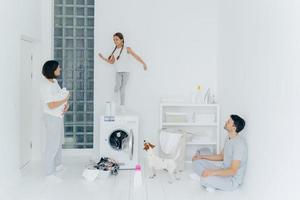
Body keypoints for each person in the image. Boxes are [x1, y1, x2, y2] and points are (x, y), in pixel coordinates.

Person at [191, 114, 247, 191]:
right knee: (197, 161)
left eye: (228, 122)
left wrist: (212, 173)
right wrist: (202, 156)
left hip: (231, 180)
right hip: (223, 170)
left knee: (205, 179)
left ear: (234, 127)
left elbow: (233, 171)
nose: (226, 122)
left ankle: (206, 180)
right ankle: (207, 179)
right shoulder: (229, 138)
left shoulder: (239, 144)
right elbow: (221, 156)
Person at [98, 32, 147, 111]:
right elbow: (111, 62)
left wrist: (143, 63)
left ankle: (122, 106)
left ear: (121, 40)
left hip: (126, 72)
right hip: (118, 71)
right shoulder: (114, 51)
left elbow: (135, 56)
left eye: (116, 39)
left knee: (123, 88)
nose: (115, 41)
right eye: (114, 40)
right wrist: (103, 58)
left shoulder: (127, 48)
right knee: (117, 85)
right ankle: (114, 101)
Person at [40, 60, 69, 182]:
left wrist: (66, 105)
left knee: (58, 141)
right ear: (52, 70)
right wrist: (65, 99)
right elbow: (51, 105)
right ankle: (49, 173)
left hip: (58, 116)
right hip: (51, 117)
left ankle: (58, 165)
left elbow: (59, 95)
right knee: (52, 144)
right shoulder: (45, 85)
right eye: (58, 68)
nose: (60, 69)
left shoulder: (54, 81)